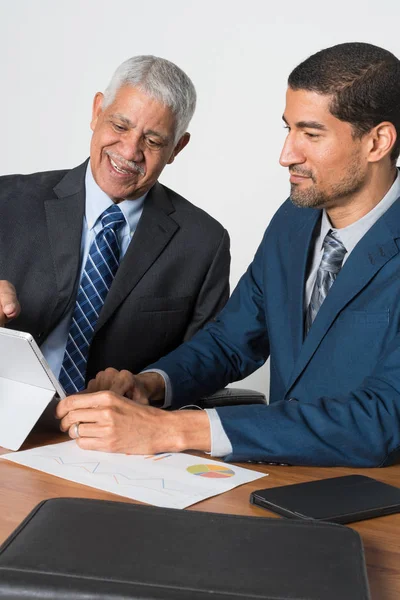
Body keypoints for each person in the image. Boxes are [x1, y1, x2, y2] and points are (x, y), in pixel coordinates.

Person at [55, 41, 400, 467]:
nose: (286, 155)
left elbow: (384, 420)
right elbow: (232, 341)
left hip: (379, 495)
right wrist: (150, 385)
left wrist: (172, 430)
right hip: (283, 483)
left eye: (311, 134)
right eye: (287, 129)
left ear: (378, 142)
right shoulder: (294, 220)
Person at [0, 55, 230, 393]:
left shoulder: (204, 243)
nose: (129, 150)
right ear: (97, 112)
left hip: (115, 434)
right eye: (120, 126)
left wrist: (148, 388)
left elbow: (209, 360)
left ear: (177, 147)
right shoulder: (7, 201)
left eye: (152, 141)